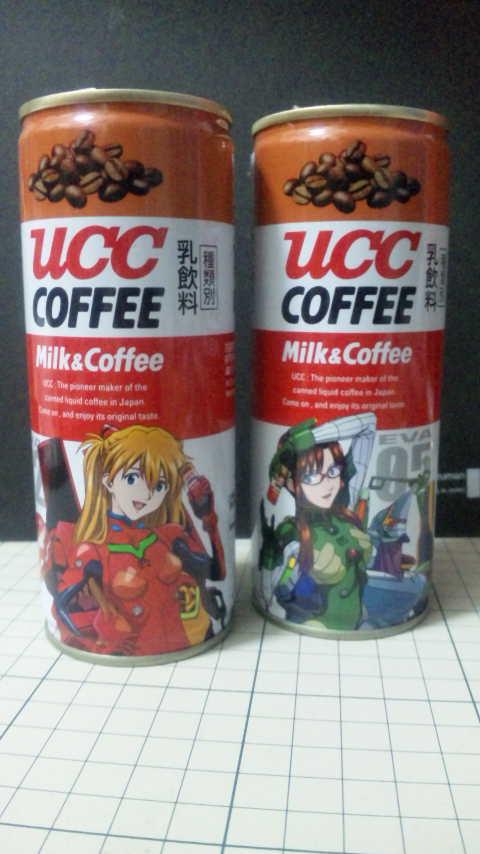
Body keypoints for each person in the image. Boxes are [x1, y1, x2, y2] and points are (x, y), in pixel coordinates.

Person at [44, 424, 226, 656]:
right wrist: (98, 646)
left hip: (182, 644)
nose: (147, 494)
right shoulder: (93, 550)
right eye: (132, 479)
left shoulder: (168, 536)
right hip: (134, 654)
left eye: (159, 485)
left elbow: (216, 573)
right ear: (109, 482)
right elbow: (60, 606)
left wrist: (209, 519)